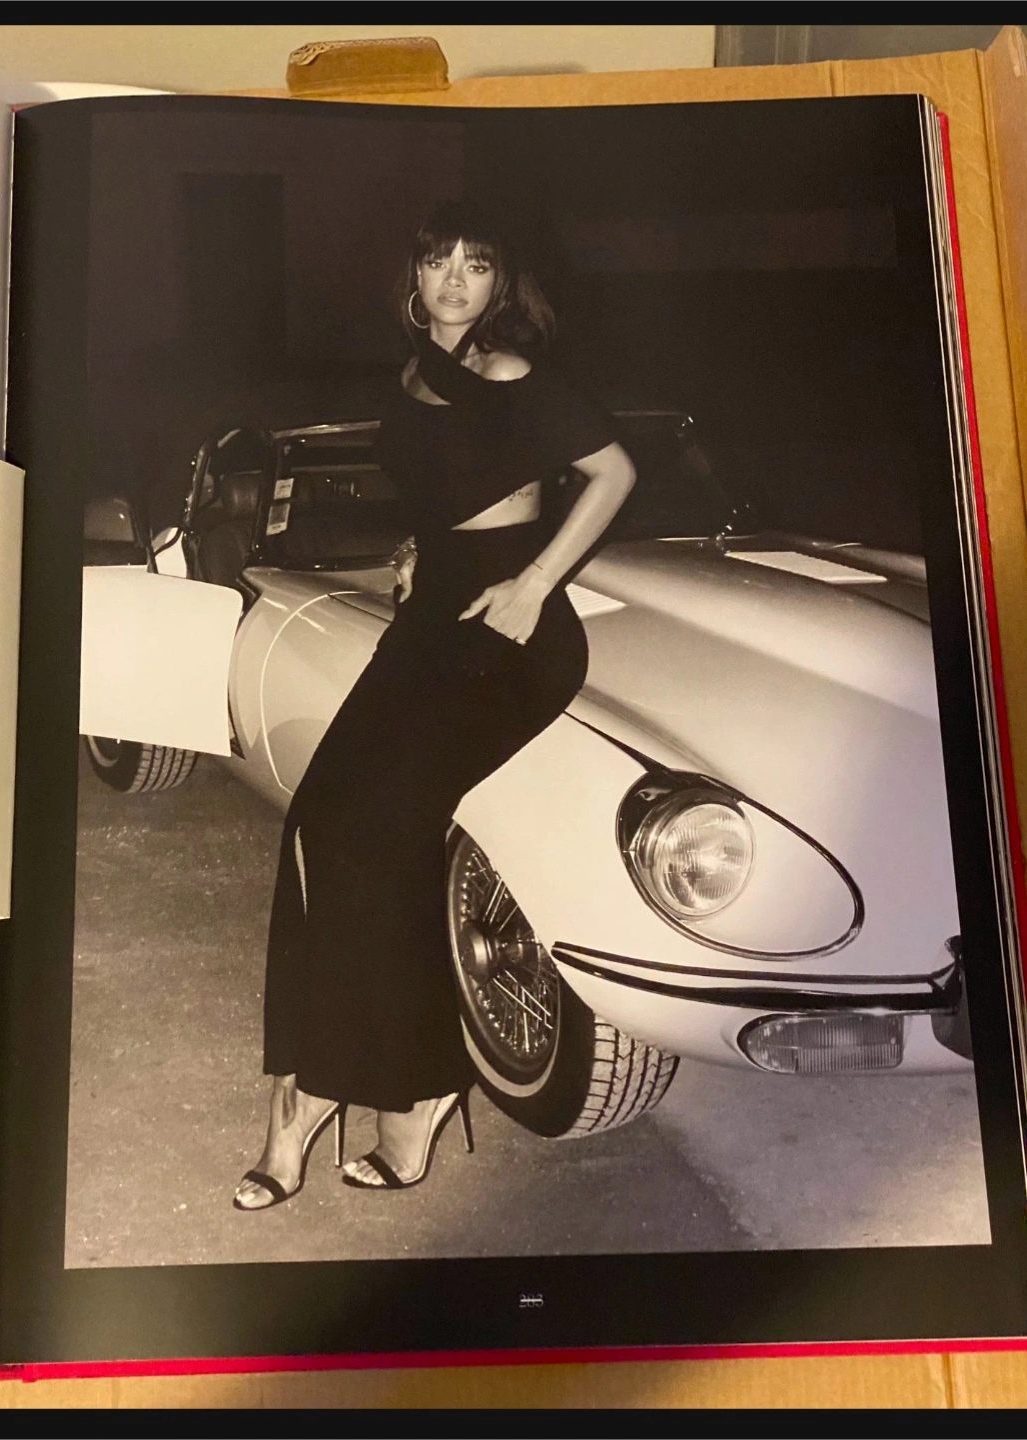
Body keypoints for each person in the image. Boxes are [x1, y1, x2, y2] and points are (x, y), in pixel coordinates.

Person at [234, 201, 636, 1208]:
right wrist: (421, 544)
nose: (456, 280)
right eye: (439, 262)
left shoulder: (508, 371)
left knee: (383, 833)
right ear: (413, 277)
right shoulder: (413, 373)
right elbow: (446, 483)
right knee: (319, 823)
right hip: (432, 618)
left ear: (501, 282)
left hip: (509, 637)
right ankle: (316, 1085)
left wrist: (534, 582)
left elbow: (611, 472)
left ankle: (394, 1094)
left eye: (477, 264)